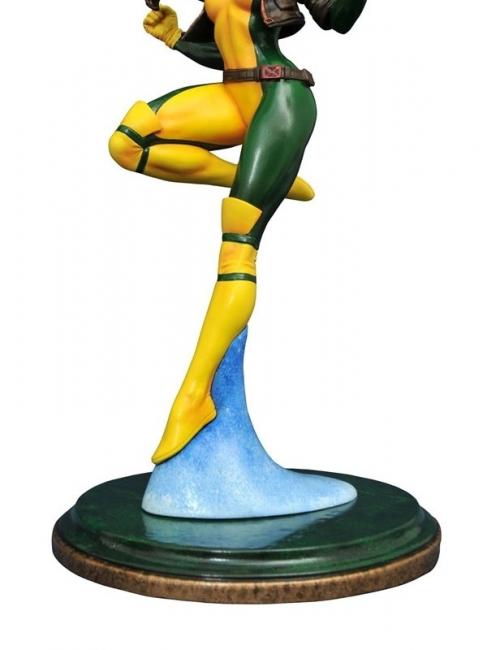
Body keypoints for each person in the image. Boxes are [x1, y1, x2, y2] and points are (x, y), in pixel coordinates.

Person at [109, 0, 367, 464]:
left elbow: (339, 17)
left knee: (236, 248)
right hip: (233, 95)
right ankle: (257, 179)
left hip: (279, 100)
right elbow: (223, 48)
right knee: (127, 142)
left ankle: (194, 396)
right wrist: (176, 39)